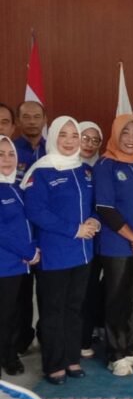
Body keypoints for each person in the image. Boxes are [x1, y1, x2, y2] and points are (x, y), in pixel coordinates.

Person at [22, 116, 99, 385]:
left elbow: (93, 205)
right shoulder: (41, 171)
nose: (69, 141)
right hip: (54, 254)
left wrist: (94, 221)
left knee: (75, 308)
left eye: (74, 135)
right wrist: (74, 229)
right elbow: (35, 211)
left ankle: (71, 358)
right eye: (63, 135)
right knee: (53, 310)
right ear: (54, 137)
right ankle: (54, 364)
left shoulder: (84, 170)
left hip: (83, 253)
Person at [94, 114, 133, 376]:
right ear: (115, 135)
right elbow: (105, 208)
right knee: (117, 299)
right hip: (117, 245)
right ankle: (116, 354)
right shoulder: (105, 164)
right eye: (125, 133)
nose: (131, 139)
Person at [0, 136, 40, 378]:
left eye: (11, 154)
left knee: (16, 311)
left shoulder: (17, 186)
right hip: (6, 264)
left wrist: (33, 248)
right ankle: (7, 357)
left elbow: (28, 222)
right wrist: (28, 252)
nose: (7, 159)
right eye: (1, 154)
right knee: (4, 314)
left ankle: (12, 351)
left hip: (22, 264)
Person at [12, 101, 47, 360]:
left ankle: (47, 337)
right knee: (20, 294)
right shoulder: (9, 151)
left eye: (37, 116)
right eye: (26, 117)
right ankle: (20, 340)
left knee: (48, 291)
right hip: (19, 237)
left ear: (45, 120)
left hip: (47, 235)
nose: (32, 121)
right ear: (18, 121)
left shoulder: (54, 149)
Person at [77, 121, 104, 359]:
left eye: (95, 140)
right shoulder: (59, 165)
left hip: (98, 239)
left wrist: (95, 220)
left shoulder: (102, 166)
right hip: (71, 239)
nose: (89, 144)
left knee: (92, 289)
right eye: (85, 138)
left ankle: (86, 336)